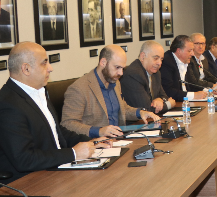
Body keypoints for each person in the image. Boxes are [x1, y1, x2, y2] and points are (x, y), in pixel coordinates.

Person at [0, 42, 110, 183]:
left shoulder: (38, 92)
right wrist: (73, 153)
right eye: (44, 63)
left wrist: (90, 141)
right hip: (31, 182)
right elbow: (24, 159)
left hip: (56, 171)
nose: (50, 68)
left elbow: (57, 132)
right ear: (26, 69)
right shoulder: (8, 104)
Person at [61, 45, 160, 138]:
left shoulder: (114, 81)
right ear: (103, 62)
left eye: (122, 68)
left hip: (119, 139)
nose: (121, 73)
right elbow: (68, 124)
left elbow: (121, 108)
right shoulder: (79, 88)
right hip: (96, 143)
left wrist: (140, 113)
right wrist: (99, 131)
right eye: (117, 67)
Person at [120, 41, 176, 114]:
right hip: (136, 120)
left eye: (161, 59)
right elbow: (146, 109)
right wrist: (169, 104)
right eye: (156, 58)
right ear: (142, 56)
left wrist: (159, 99)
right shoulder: (133, 75)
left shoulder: (156, 73)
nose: (159, 63)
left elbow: (164, 96)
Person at [161, 35, 216, 102]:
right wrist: (193, 95)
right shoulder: (166, 62)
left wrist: (208, 91)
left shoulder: (187, 61)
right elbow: (168, 91)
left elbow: (192, 83)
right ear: (179, 51)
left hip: (186, 102)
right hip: (176, 103)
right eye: (189, 51)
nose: (192, 54)